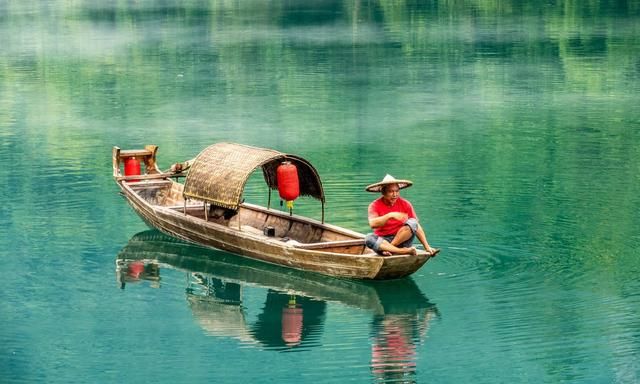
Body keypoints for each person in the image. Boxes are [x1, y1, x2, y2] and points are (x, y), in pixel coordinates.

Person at [365, 174, 439, 256]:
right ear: (383, 192)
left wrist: (427, 247)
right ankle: (403, 251)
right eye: (391, 191)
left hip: (401, 241)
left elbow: (416, 226)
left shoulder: (405, 204)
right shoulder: (374, 205)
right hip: (383, 242)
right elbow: (373, 224)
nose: (395, 194)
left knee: (413, 222)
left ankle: (392, 249)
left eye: (397, 191)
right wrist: (390, 215)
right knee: (369, 238)